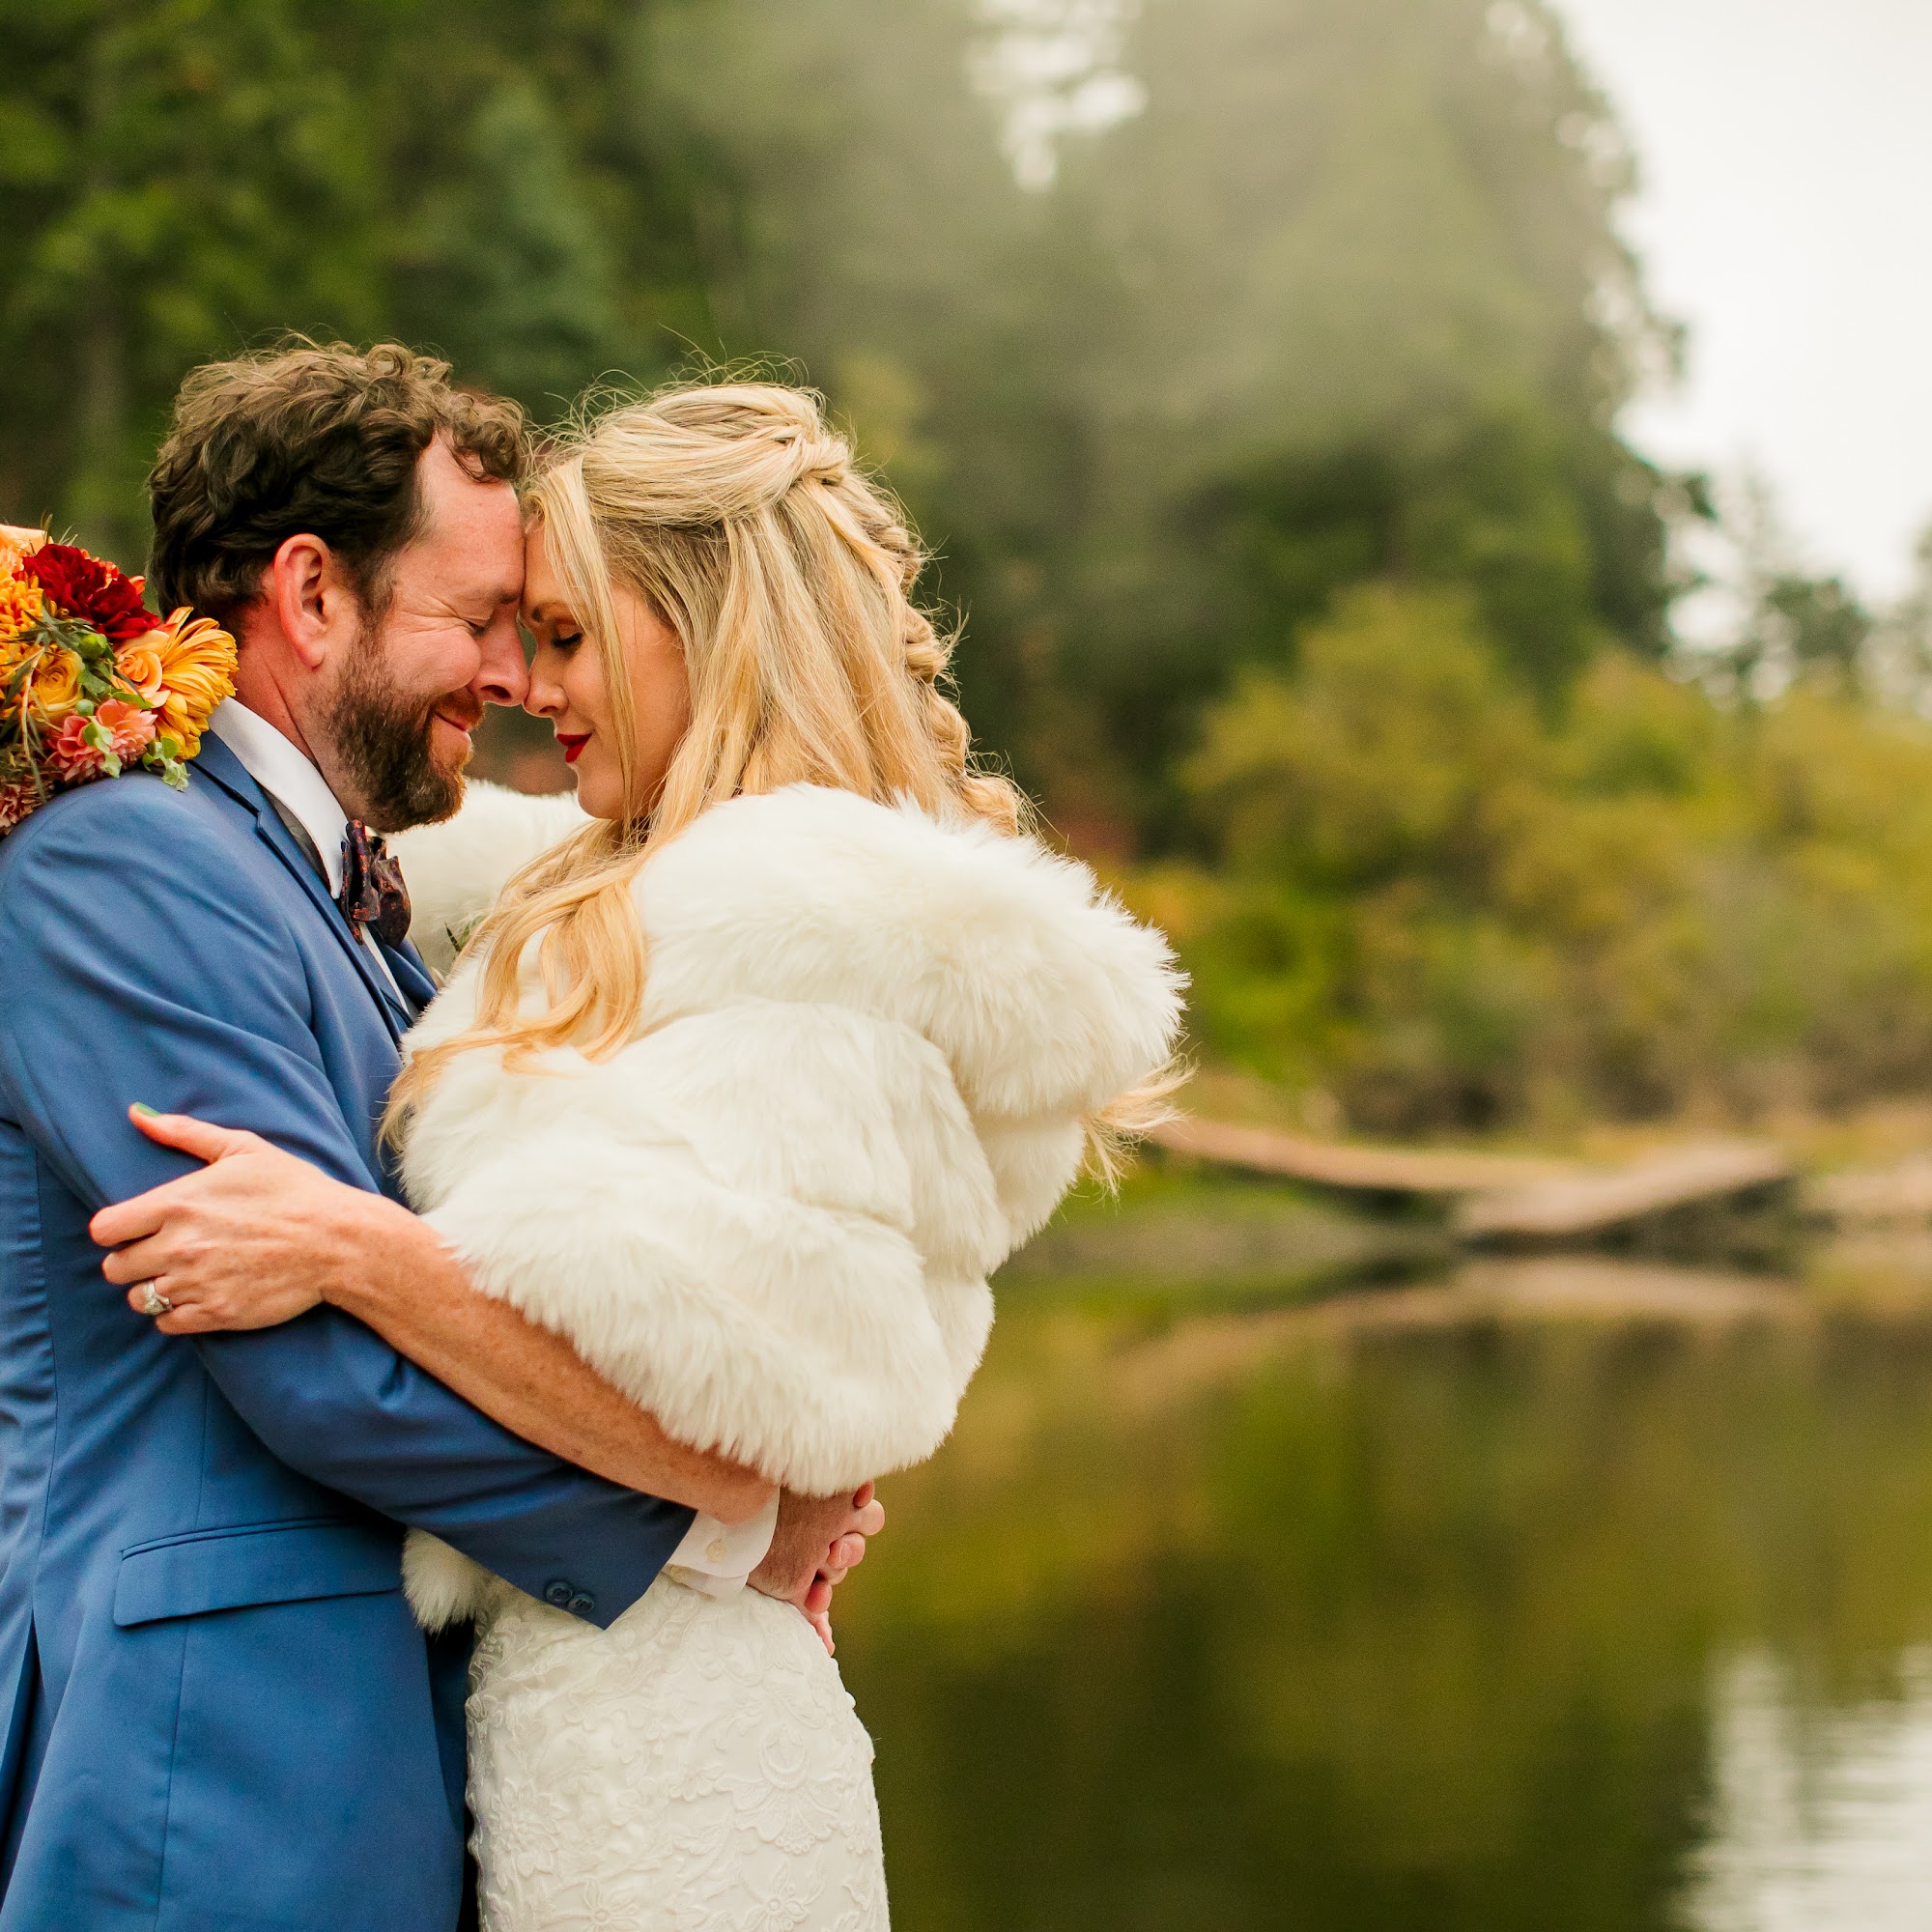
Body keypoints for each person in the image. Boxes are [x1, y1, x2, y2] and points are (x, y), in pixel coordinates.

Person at [99, 382, 1184, 1928]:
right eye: (514, 632)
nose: (528, 685)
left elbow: (723, 1421)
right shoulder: (617, 888)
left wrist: (354, 1247)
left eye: (565, 634)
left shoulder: (805, 928)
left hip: (671, 1766)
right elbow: (323, 802)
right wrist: (62, 682)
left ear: (708, 627)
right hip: (545, 1711)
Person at [0, 346, 875, 1932]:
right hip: (207, 1755)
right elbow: (309, 1360)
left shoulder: (345, 902)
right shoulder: (122, 859)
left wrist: (778, 1425)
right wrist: (711, 1508)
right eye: (479, 620)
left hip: (365, 1758)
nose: (510, 677)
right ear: (312, 594)